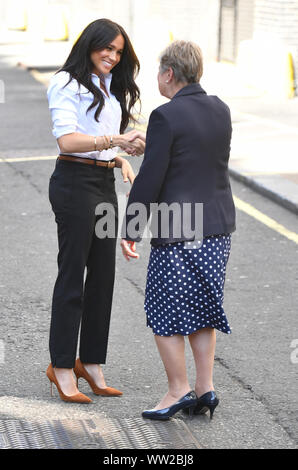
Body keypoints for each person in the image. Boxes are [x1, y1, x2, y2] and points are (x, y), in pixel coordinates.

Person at [121, 40, 236, 420]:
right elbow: (196, 157)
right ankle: (206, 389)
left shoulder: (165, 115)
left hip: (179, 229)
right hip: (218, 227)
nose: (157, 77)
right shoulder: (220, 109)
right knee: (204, 308)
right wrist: (154, 142)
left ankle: (177, 390)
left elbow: (151, 179)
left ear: (169, 74)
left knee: (164, 311)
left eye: (158, 71)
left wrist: (131, 230)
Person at [46, 18, 145, 403]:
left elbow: (98, 141)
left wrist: (117, 157)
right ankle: (62, 366)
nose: (112, 56)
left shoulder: (108, 86)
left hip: (103, 182)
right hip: (73, 183)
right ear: (89, 45)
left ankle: (92, 363)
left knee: (103, 276)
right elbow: (68, 140)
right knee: (73, 276)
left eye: (119, 52)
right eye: (107, 48)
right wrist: (113, 139)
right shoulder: (65, 83)